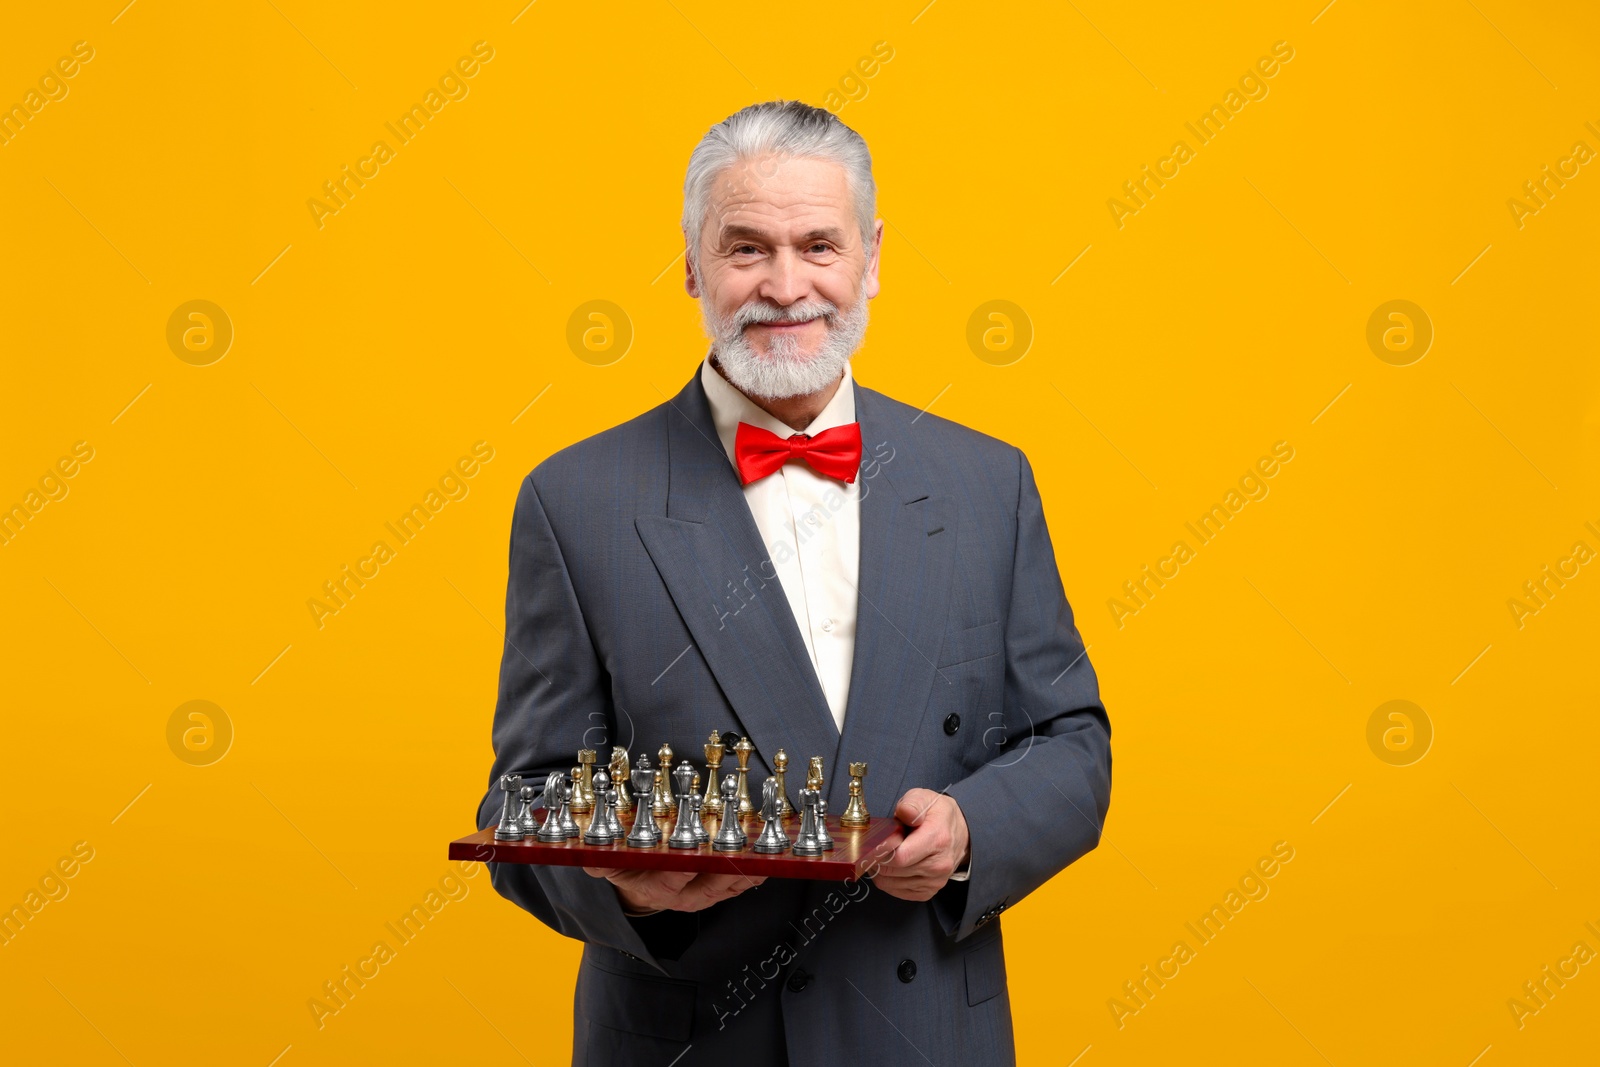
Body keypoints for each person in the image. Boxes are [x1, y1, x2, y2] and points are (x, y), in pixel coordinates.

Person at [476, 99, 1111, 1066]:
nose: (785, 286)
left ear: (872, 256)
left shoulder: (990, 481)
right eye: (745, 249)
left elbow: (1072, 746)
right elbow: (524, 798)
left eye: (819, 244)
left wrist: (973, 827)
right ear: (691, 263)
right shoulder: (576, 499)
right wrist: (620, 885)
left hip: (928, 1031)